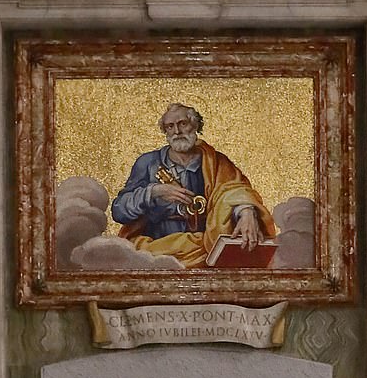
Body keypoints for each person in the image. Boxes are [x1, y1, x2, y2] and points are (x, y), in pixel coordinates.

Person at [111, 103, 276, 268]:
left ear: (195, 125)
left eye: (183, 123)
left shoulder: (215, 162)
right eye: (170, 126)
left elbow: (235, 190)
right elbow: (119, 210)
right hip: (157, 250)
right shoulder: (148, 163)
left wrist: (246, 211)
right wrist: (154, 191)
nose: (177, 131)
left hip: (206, 249)